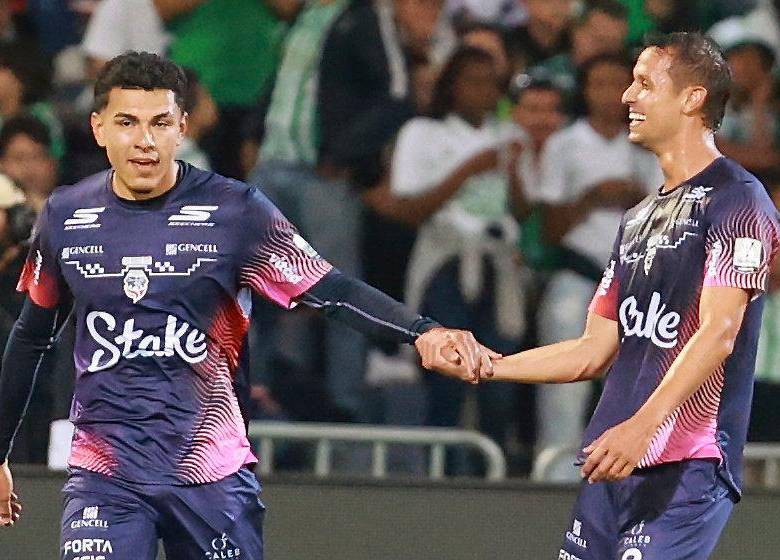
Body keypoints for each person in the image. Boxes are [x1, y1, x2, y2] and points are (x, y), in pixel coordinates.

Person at [0, 52, 497, 558]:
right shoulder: (67, 213)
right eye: (127, 123)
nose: (144, 141)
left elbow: (330, 289)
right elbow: (31, 335)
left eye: (160, 123)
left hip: (209, 472)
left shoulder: (236, 211)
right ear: (98, 127)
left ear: (183, 128)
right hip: (105, 476)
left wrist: (421, 331)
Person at [481, 32, 780, 558]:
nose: (627, 97)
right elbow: (592, 351)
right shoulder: (638, 218)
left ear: (692, 98)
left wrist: (644, 426)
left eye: (644, 83)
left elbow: (720, 332)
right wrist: (489, 365)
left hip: (686, 464)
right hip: (612, 459)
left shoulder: (739, 199)